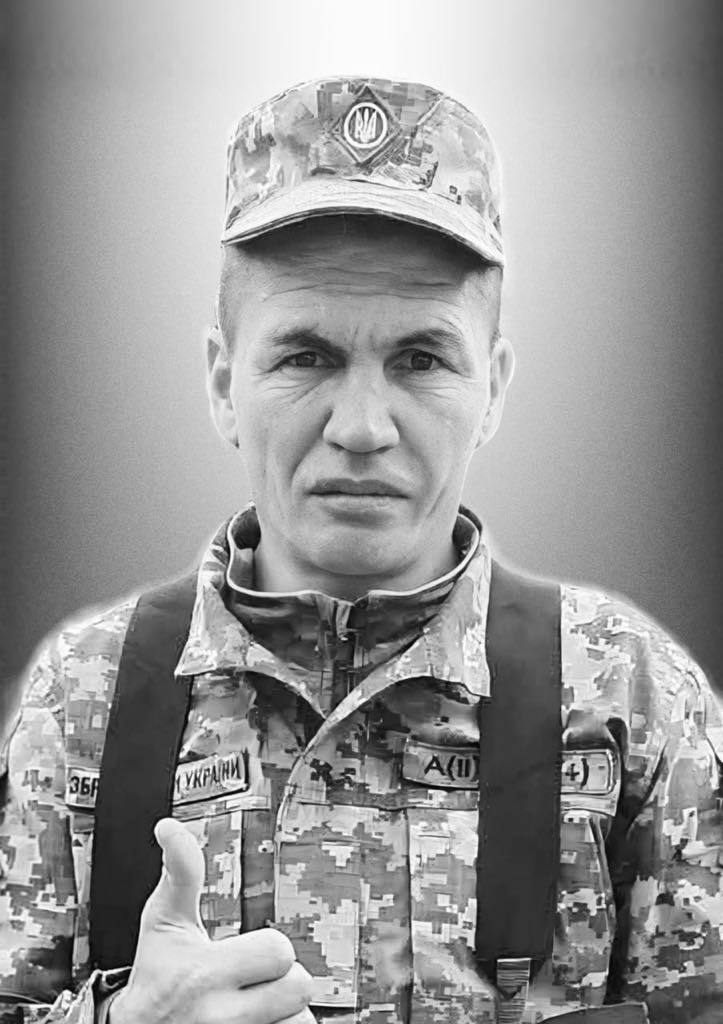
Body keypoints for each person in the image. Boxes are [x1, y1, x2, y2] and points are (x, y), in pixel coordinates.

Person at [0, 76, 721, 1024]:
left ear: (493, 389)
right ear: (222, 382)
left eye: (420, 359)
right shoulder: (80, 701)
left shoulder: (628, 698)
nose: (362, 427)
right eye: (306, 357)